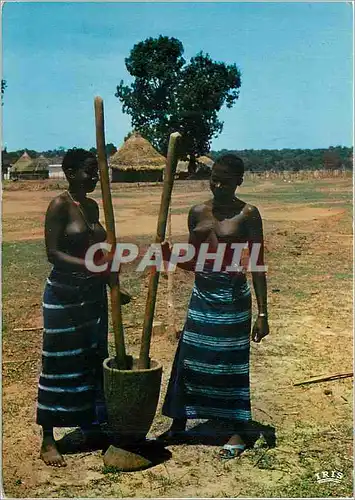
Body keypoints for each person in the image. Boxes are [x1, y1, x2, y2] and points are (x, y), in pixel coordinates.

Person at [160, 153, 269, 459]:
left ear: (239, 182)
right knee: (189, 357)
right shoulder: (197, 213)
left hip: (233, 298)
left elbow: (257, 265)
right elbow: (195, 261)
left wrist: (263, 314)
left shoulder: (248, 214)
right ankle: (179, 423)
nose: (218, 185)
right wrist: (170, 257)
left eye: (225, 180)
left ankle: (236, 428)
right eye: (214, 178)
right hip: (202, 296)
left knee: (230, 363)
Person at [37, 148, 130, 467]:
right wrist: (96, 269)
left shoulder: (91, 206)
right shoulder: (60, 205)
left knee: (93, 361)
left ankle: (93, 425)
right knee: (59, 361)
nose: (94, 177)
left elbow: (98, 252)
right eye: (89, 172)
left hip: (93, 298)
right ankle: (48, 438)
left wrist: (111, 282)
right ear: (70, 172)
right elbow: (54, 254)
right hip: (64, 296)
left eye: (96, 171)